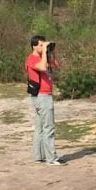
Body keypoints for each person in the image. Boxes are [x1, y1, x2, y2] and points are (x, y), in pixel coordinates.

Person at [25, 35, 63, 165]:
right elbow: (42, 68)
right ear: (34, 46)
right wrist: (44, 54)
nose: (43, 47)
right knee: (49, 128)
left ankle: (39, 156)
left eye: (44, 45)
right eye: (41, 45)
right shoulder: (31, 59)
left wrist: (51, 52)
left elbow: (57, 65)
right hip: (42, 96)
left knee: (40, 127)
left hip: (44, 96)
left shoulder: (44, 57)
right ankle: (51, 158)